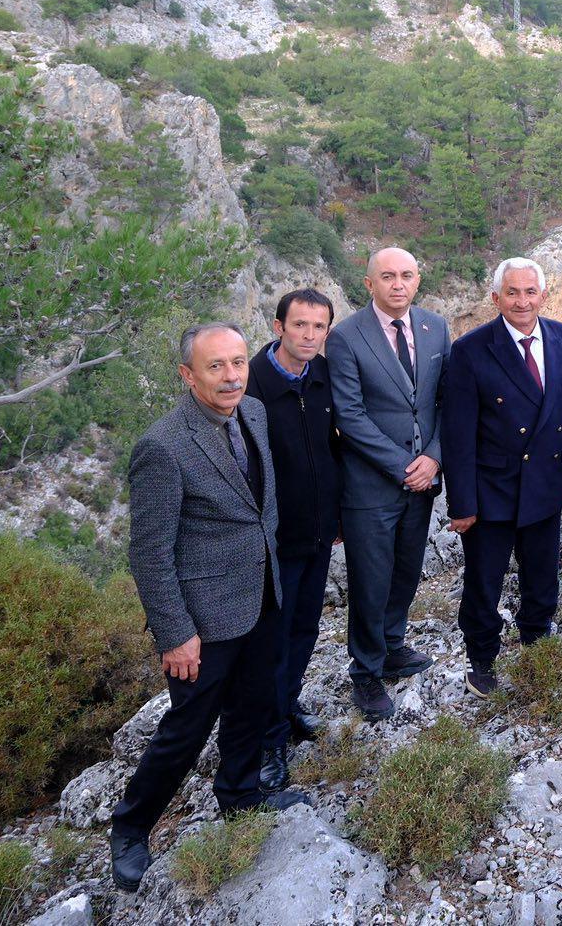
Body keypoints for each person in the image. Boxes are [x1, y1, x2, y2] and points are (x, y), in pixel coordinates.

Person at [110, 323, 307, 894]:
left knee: (253, 703)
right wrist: (175, 634)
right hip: (202, 617)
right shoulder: (163, 447)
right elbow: (149, 553)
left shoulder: (255, 414)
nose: (231, 376)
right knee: (187, 726)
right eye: (216, 366)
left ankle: (240, 794)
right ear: (187, 375)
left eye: (239, 363)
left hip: (261, 594)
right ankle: (130, 827)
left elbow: (256, 506)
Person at [441, 257, 562, 697]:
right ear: (496, 298)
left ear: (543, 294)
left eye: (530, 292)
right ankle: (481, 658)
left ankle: (537, 640)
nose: (522, 301)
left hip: (545, 483)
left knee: (542, 575)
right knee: (484, 581)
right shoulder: (470, 350)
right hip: (491, 489)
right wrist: (462, 503)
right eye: (512, 293)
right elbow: (457, 432)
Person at [325, 247, 449, 722]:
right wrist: (405, 465)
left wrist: (434, 458)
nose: (398, 284)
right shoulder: (345, 338)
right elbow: (350, 417)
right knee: (371, 580)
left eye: (406, 276)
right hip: (372, 486)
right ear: (369, 283)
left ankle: (393, 645)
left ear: (417, 280)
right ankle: (366, 671)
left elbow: (444, 400)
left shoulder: (435, 327)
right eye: (388, 276)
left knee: (406, 570)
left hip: (423, 482)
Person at [245, 287, 339, 793]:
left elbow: (330, 450)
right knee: (273, 643)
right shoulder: (252, 386)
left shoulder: (323, 377)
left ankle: (288, 704)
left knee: (305, 630)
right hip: (271, 544)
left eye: (318, 327)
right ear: (279, 326)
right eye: (299, 325)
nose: (308, 335)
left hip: (318, 532)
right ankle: (268, 741)